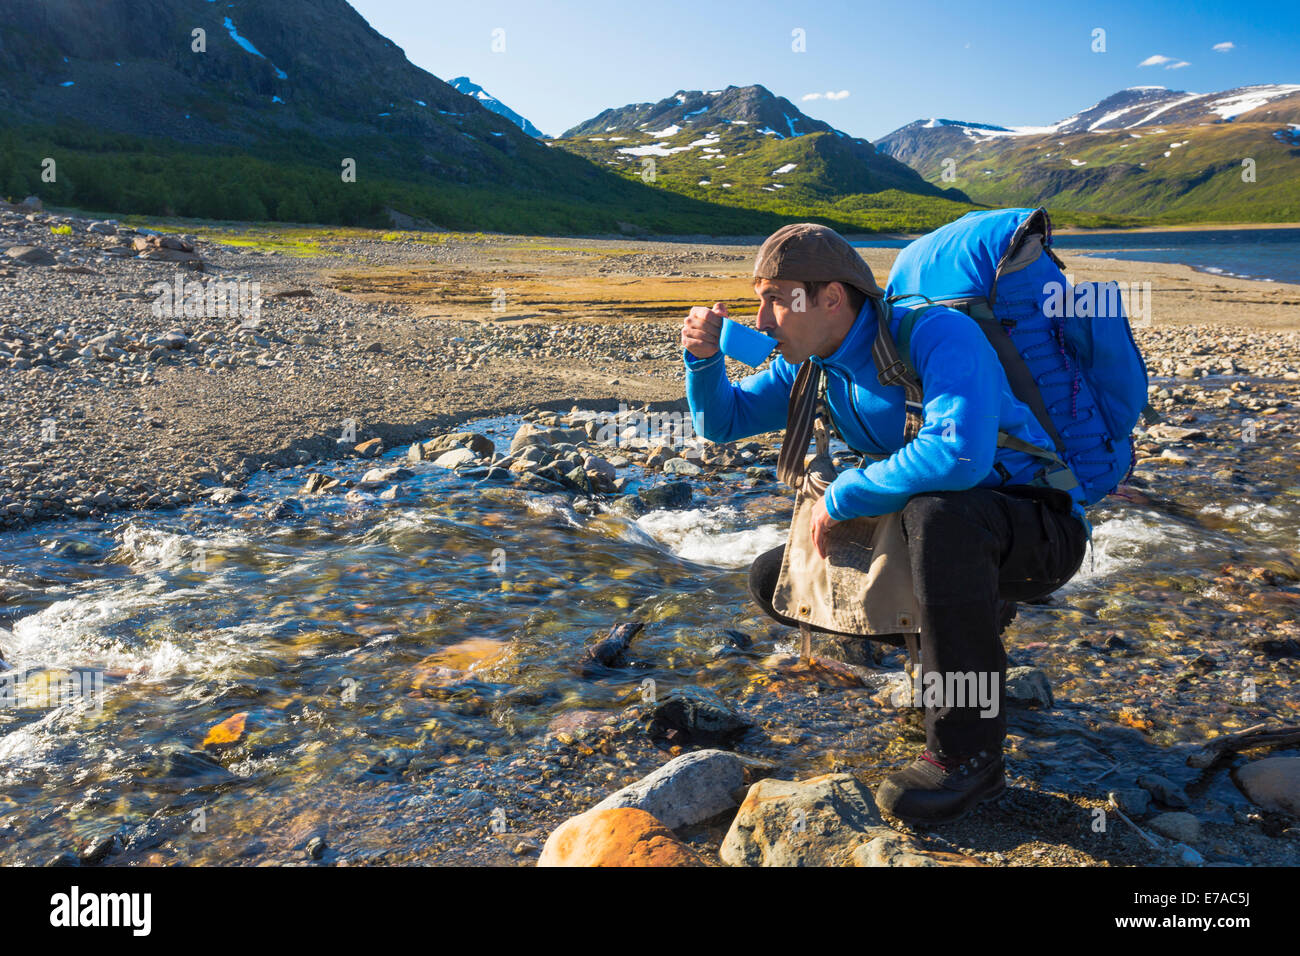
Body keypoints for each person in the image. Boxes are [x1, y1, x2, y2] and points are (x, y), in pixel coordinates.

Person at [679, 223, 1088, 825]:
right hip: (940, 543)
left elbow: (959, 456)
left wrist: (842, 496)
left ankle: (968, 755)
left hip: (1036, 530)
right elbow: (722, 421)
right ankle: (959, 632)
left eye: (777, 299)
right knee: (779, 580)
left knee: (939, 512)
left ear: (832, 299)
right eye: (759, 300)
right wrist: (704, 359)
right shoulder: (813, 365)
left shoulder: (938, 335)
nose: (762, 320)